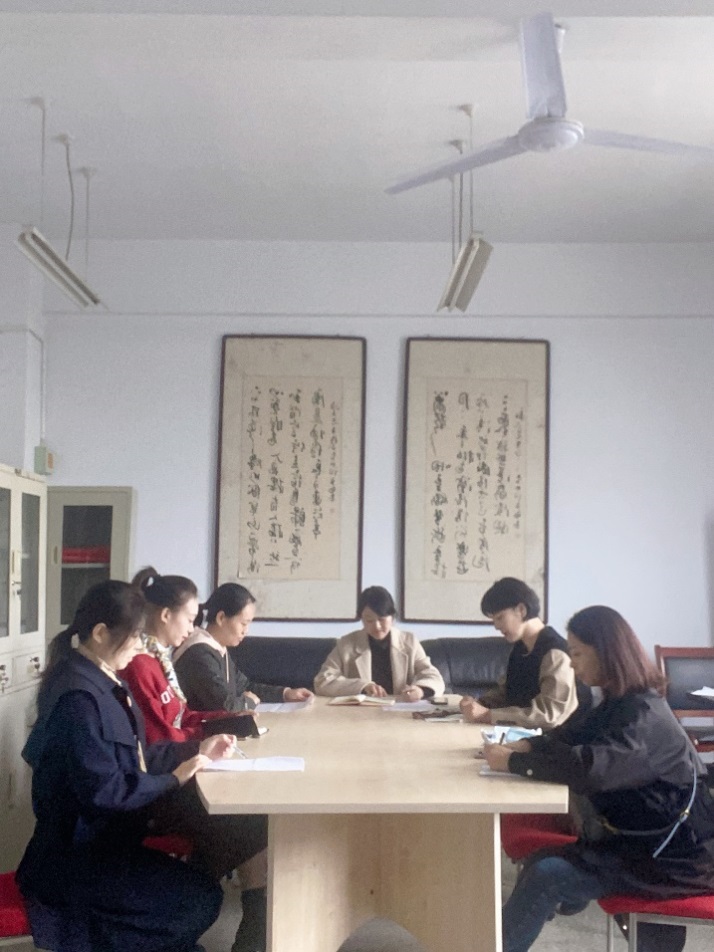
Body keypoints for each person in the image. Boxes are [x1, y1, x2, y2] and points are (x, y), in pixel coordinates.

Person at [484, 605, 714, 952]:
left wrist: (514, 762)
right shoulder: (619, 702)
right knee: (540, 861)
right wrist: (525, 745)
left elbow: (588, 771)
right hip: (636, 841)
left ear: (606, 653)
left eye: (577, 653)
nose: (572, 663)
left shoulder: (643, 714)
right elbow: (568, 737)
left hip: (674, 858)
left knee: (547, 874)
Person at [16, 580, 226, 952]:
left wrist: (197, 749)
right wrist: (173, 780)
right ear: (100, 633)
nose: (140, 647)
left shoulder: (105, 681)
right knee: (196, 902)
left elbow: (137, 756)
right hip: (75, 863)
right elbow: (106, 791)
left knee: (201, 894)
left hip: (106, 849)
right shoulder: (78, 699)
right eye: (134, 638)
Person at [121, 567, 269, 952]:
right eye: (189, 618)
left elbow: (182, 717)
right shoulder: (140, 664)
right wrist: (201, 744)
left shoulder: (158, 659)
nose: (192, 628)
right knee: (250, 821)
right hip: (162, 783)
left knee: (251, 818)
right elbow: (159, 740)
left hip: (179, 766)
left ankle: (246, 921)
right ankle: (245, 923)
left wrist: (227, 721)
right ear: (164, 615)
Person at [460, 577, 585, 729]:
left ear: (521, 610)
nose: (496, 626)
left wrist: (488, 715)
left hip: (560, 738)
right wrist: (478, 703)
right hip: (523, 732)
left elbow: (549, 714)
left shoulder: (555, 654)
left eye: (500, 617)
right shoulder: (520, 648)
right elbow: (508, 690)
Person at [174, 582, 313, 711]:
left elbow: (244, 686)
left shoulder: (217, 648)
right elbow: (224, 706)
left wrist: (285, 693)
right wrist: (249, 702)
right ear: (221, 618)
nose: (246, 631)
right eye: (243, 624)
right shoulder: (199, 653)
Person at [314, 586, 444, 700]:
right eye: (369, 620)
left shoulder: (409, 642)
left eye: (381, 619)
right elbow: (322, 681)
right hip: (360, 713)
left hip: (400, 710)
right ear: (361, 619)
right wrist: (363, 686)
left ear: (392, 617)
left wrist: (420, 690)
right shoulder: (347, 644)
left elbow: (433, 676)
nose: (376, 626)